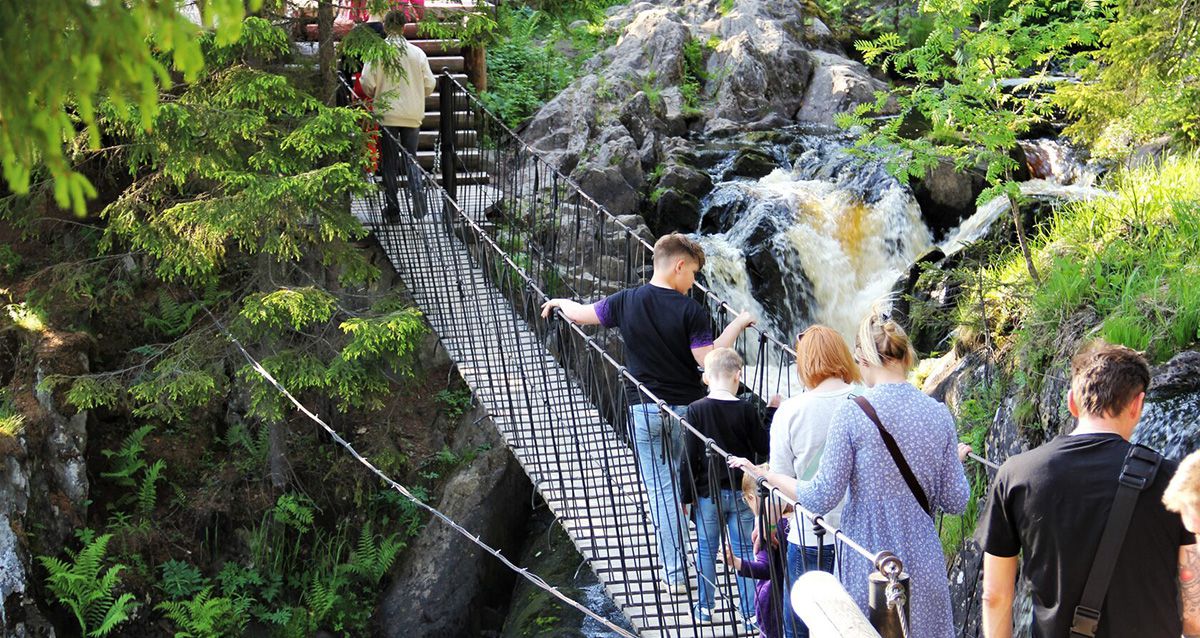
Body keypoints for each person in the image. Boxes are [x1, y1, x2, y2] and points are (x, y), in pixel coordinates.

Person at [730, 307, 971, 637]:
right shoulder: (938, 414)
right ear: (905, 357)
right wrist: (954, 462)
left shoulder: (853, 413)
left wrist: (768, 476)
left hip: (869, 562)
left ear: (866, 359)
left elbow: (821, 497)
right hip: (924, 563)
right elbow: (956, 501)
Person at [540, 232, 757, 595]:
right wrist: (738, 323)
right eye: (694, 274)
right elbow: (710, 362)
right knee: (696, 487)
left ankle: (675, 576)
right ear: (679, 265)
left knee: (662, 492)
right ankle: (717, 568)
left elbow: (581, 315)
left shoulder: (625, 301)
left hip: (644, 410)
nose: (694, 283)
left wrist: (560, 302)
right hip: (689, 415)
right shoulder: (691, 310)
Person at [979, 342, 1199, 638]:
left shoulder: (1016, 475)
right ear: (1137, 405)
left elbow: (995, 596)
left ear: (1072, 402)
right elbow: (1194, 613)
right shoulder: (1177, 482)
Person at [768, 324, 862, 638]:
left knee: (799, 628)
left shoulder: (790, 411)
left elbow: (781, 482)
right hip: (860, 539)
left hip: (810, 535)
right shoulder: (866, 402)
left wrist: (766, 524)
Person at [681, 347, 769, 625]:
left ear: (707, 377)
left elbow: (689, 456)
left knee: (706, 548)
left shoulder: (695, 410)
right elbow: (763, 447)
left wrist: (686, 496)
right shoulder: (746, 409)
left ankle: (705, 608)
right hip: (742, 493)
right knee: (744, 550)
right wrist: (772, 413)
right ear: (737, 376)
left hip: (708, 495)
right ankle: (750, 612)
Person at [359, 9, 436, 222]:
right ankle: (418, 193)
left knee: (389, 163)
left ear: (385, 26)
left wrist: (376, 93)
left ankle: (393, 211)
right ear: (404, 27)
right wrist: (418, 93)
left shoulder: (378, 52)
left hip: (387, 115)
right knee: (411, 157)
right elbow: (430, 84)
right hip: (412, 114)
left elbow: (367, 82)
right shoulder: (417, 53)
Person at [724, 463, 792, 638]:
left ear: (752, 497)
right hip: (796, 600)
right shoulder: (797, 522)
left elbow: (765, 569)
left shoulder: (767, 530)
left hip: (771, 602)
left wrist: (736, 563)